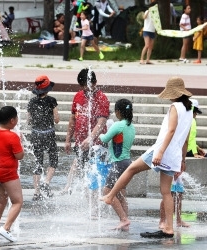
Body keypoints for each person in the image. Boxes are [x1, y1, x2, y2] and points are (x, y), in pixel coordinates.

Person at [101, 76, 193, 238]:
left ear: (173, 93)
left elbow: (171, 131)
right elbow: (185, 137)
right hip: (174, 155)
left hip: (162, 150)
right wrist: (183, 159)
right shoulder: (188, 110)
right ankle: (169, 229)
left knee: (131, 169)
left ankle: (109, 196)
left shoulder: (174, 107)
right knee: (166, 192)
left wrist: (159, 152)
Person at [62, 68, 110, 195]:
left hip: (97, 144)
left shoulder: (101, 98)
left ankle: (96, 198)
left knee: (95, 170)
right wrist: (68, 140)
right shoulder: (78, 96)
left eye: (87, 86)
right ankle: (69, 188)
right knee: (78, 163)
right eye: (82, 86)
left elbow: (101, 122)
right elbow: (73, 119)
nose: (85, 89)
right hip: (80, 141)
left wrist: (91, 138)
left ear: (95, 83)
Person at [0, 106, 24, 242]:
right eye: (17, 118)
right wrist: (21, 142)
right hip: (7, 173)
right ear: (12, 120)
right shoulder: (12, 136)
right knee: (17, 201)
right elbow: (19, 156)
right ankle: (5, 228)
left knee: (1, 200)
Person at [100, 99, 135, 231]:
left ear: (118, 112)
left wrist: (101, 134)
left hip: (118, 163)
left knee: (107, 191)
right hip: (127, 163)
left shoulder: (118, 125)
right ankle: (125, 219)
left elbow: (104, 138)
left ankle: (123, 219)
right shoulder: (131, 126)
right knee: (119, 193)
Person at [27, 75, 60, 201]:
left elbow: (29, 120)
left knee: (38, 162)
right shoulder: (52, 101)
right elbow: (57, 120)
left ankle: (36, 192)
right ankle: (46, 182)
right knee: (53, 158)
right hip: (49, 134)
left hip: (36, 134)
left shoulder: (31, 102)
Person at [140, 0, 157, 65]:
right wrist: (149, 11)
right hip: (147, 30)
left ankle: (148, 60)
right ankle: (141, 59)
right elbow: (144, 17)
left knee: (151, 46)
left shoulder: (155, 13)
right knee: (147, 45)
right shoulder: (147, 11)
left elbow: (156, 22)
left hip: (152, 31)